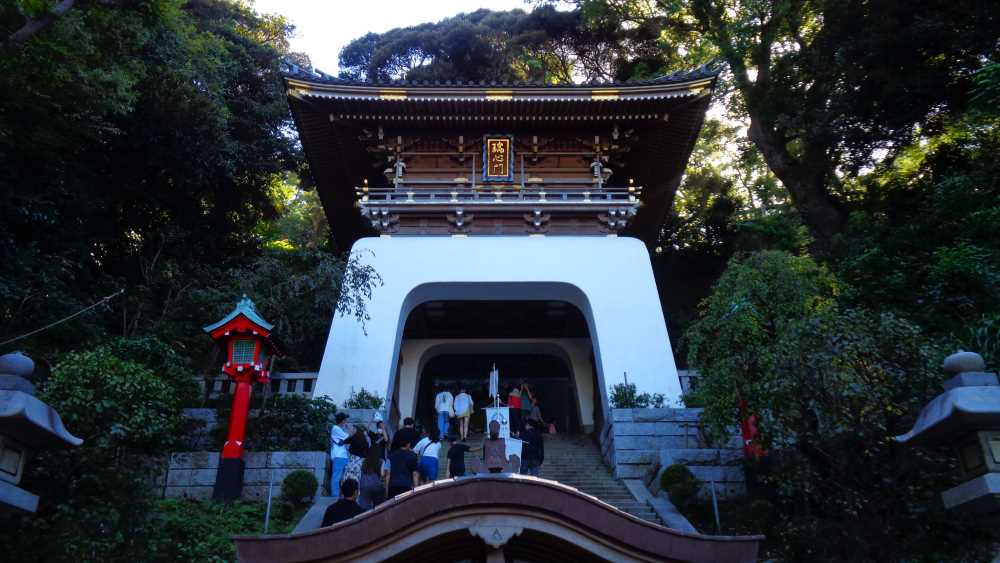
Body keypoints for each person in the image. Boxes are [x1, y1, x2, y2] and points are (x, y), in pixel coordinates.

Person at [329, 412, 352, 497]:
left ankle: (341, 495)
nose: (346, 421)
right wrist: (350, 429)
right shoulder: (335, 428)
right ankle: (334, 496)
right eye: (345, 419)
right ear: (342, 421)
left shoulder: (338, 429)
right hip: (339, 456)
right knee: (336, 477)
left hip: (342, 456)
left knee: (343, 477)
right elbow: (348, 437)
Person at [358, 442, 386, 510]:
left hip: (364, 484)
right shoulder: (381, 461)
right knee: (378, 507)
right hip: (376, 484)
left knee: (364, 508)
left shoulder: (364, 461)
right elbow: (382, 474)